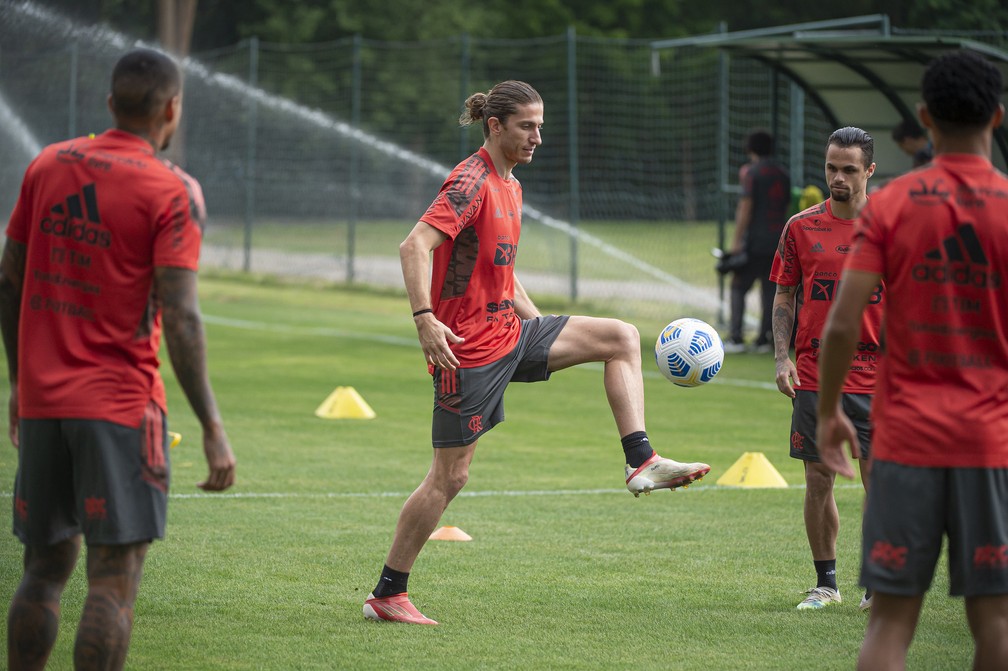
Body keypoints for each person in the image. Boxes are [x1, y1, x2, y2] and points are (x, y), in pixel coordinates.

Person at [362, 80, 711, 625]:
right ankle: (387, 594)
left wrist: (538, 323)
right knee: (449, 478)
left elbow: (502, 270)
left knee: (619, 336)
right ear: (495, 127)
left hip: (510, 333)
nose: (538, 137)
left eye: (541, 126)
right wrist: (425, 320)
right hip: (468, 351)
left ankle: (640, 459)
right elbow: (415, 246)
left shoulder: (512, 185)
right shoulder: (470, 179)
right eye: (527, 126)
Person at [2, 48, 236, 670]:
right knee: (112, 582)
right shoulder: (173, 190)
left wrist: (20, 384)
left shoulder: (47, 165)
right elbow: (182, 316)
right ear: (172, 110)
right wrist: (213, 427)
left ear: (110, 103)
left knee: (43, 572)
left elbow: (7, 281)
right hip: (120, 410)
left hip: (46, 406)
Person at [817, 50, 1008, 670]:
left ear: (924, 117)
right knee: (995, 619)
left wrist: (827, 414)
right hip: (989, 441)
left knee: (890, 623)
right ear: (998, 117)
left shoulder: (893, 207)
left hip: (905, 439)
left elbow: (843, 321)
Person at [770, 126, 883, 611]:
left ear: (869, 171)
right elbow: (784, 293)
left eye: (849, 170)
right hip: (816, 375)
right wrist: (781, 356)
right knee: (818, 479)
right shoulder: (800, 227)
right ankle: (826, 584)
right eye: (831, 167)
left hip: (881, 378)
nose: (838, 178)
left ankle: (878, 585)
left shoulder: (892, 228)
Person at [725, 130, 791, 354]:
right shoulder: (783, 173)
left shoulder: (752, 172)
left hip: (755, 240)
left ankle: (736, 337)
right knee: (769, 289)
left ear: (750, 149)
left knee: (738, 285)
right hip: (778, 240)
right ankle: (764, 339)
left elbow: (746, 207)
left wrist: (736, 241)